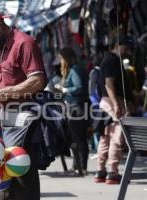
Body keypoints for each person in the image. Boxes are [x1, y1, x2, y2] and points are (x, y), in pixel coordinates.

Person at [0, 8, 46, 200]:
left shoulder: (24, 43)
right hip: (4, 122)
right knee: (4, 178)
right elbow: (2, 84)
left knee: (20, 173)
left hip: (23, 120)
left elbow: (37, 81)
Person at [94, 33, 134, 184]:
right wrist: (117, 104)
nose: (128, 51)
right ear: (117, 45)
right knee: (117, 138)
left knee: (105, 138)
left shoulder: (110, 59)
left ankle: (100, 171)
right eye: (126, 47)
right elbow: (108, 84)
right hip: (113, 102)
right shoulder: (112, 60)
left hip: (107, 102)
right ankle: (113, 172)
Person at [54, 47, 89, 175]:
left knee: (79, 138)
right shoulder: (74, 69)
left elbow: (79, 87)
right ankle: (77, 166)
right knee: (76, 138)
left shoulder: (75, 69)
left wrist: (64, 90)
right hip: (75, 107)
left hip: (78, 107)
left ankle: (82, 167)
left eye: (61, 58)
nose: (60, 61)